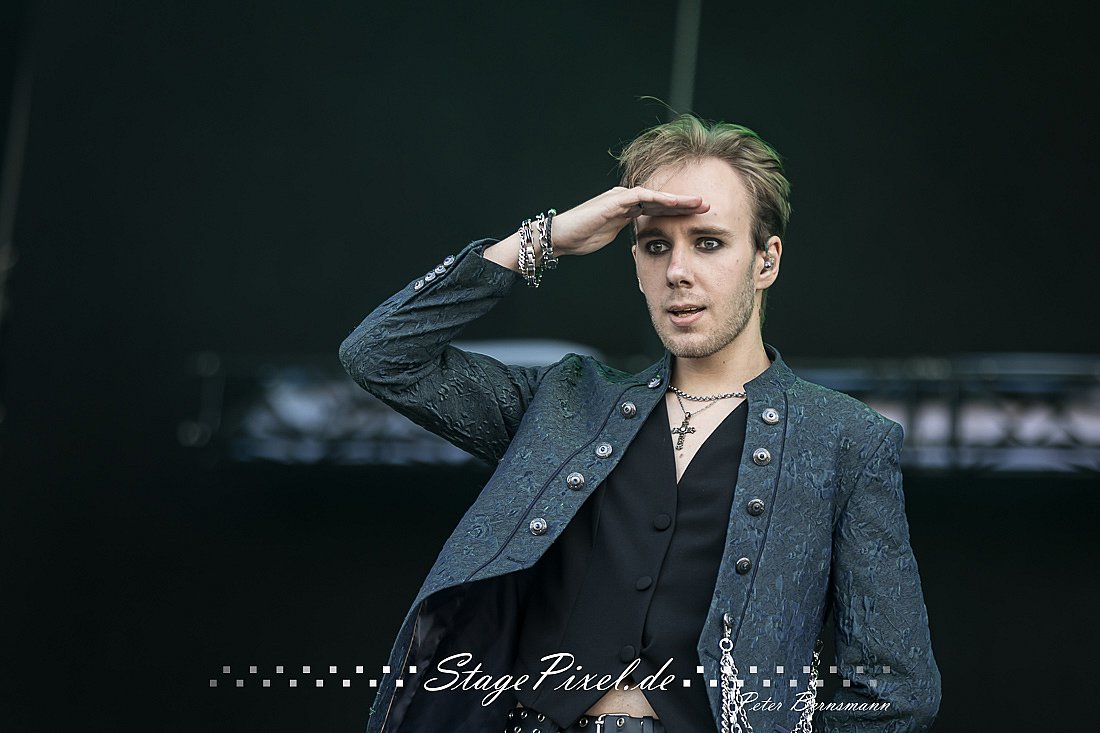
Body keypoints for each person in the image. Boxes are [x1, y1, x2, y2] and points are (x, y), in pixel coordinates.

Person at [339, 114, 941, 733]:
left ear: (766, 261)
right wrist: (544, 241)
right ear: (635, 262)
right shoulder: (566, 402)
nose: (677, 270)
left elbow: (897, 692)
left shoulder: (843, 440)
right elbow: (380, 356)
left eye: (708, 243)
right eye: (656, 246)